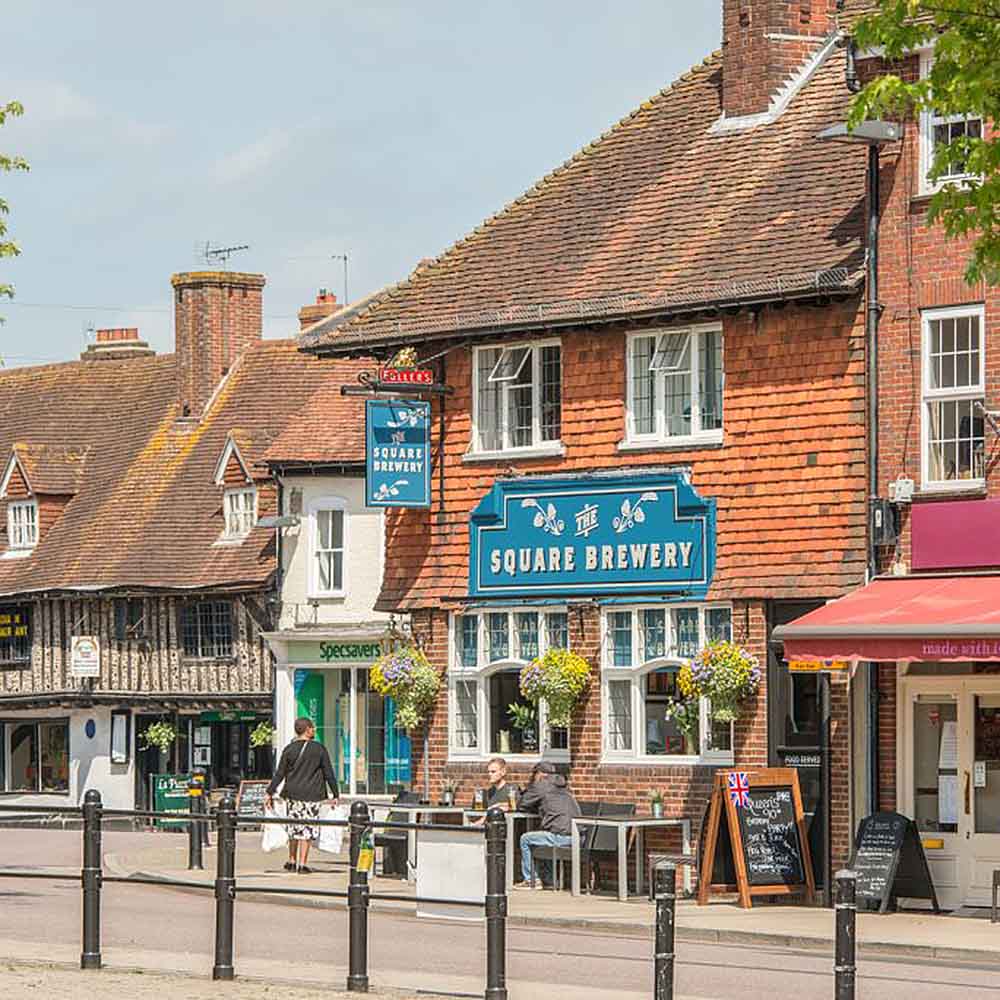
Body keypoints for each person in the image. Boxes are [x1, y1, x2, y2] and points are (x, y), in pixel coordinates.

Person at [265, 717, 339, 874]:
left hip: (292, 793)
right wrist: (335, 794)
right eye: (313, 728)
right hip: (312, 794)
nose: (314, 730)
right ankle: (303, 864)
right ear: (308, 730)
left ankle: (291, 860)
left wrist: (269, 792)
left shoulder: (289, 749)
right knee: (307, 828)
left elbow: (280, 773)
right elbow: (328, 773)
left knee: (293, 826)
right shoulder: (319, 749)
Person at [516, 761, 580, 888]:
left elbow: (522, 804)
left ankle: (531, 880)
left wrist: (520, 794)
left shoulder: (542, 785)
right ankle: (550, 880)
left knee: (525, 839)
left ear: (540, 774)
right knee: (543, 836)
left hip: (562, 836)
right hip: (578, 836)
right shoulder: (564, 786)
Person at [471, 757, 517, 826]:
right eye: (488, 772)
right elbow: (475, 815)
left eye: (493, 772)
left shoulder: (511, 790)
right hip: (488, 830)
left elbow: (517, 807)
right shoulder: (486, 794)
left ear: (503, 772)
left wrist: (497, 806)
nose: (490, 774)